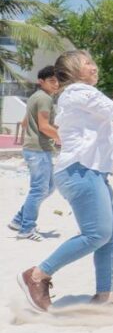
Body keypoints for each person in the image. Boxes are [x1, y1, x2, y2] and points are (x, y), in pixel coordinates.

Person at [17, 50, 113, 312]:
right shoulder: (78, 91)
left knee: (112, 232)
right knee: (97, 234)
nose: (94, 66)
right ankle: (37, 275)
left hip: (92, 172)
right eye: (87, 62)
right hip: (80, 171)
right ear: (72, 71)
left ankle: (104, 295)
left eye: (93, 61)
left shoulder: (78, 97)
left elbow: (89, 126)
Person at [8, 66, 61, 240]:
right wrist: (64, 138)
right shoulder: (45, 99)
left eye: (58, 80)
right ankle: (27, 229)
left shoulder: (35, 97)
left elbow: (25, 123)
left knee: (49, 187)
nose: (56, 84)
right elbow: (44, 126)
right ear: (41, 81)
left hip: (36, 148)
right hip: (38, 150)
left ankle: (18, 220)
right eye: (52, 80)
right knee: (39, 190)